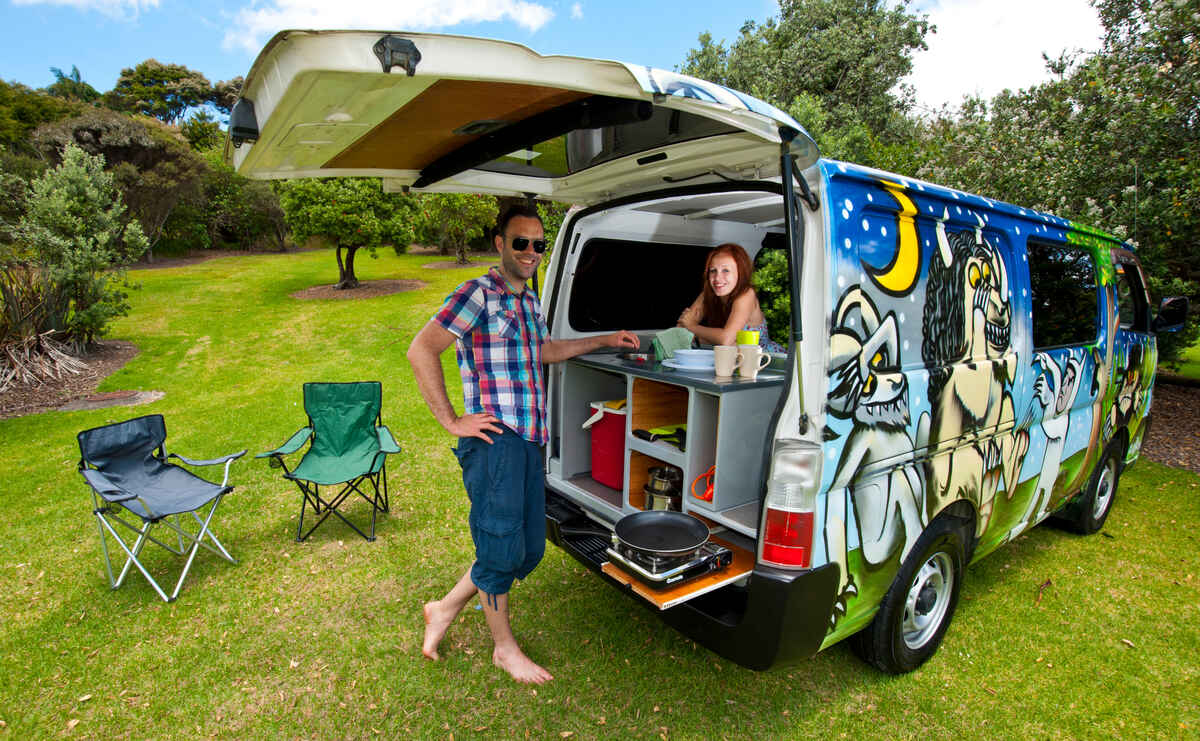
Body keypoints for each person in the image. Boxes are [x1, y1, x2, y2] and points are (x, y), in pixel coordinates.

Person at [407, 204, 639, 685]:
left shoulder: (529, 300)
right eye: (521, 242)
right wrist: (451, 420)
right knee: (500, 547)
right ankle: (504, 649)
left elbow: (544, 351)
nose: (531, 251)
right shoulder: (477, 293)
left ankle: (443, 608)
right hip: (496, 441)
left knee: (527, 548)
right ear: (500, 244)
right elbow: (422, 349)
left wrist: (602, 341)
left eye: (538, 244)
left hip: (531, 438)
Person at [676, 243, 785, 352]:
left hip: (766, 359)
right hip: (729, 357)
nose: (717, 278)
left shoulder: (746, 294)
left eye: (726, 270)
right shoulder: (709, 292)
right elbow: (680, 330)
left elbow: (726, 339)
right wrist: (700, 335)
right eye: (713, 270)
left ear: (740, 272)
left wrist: (692, 327)